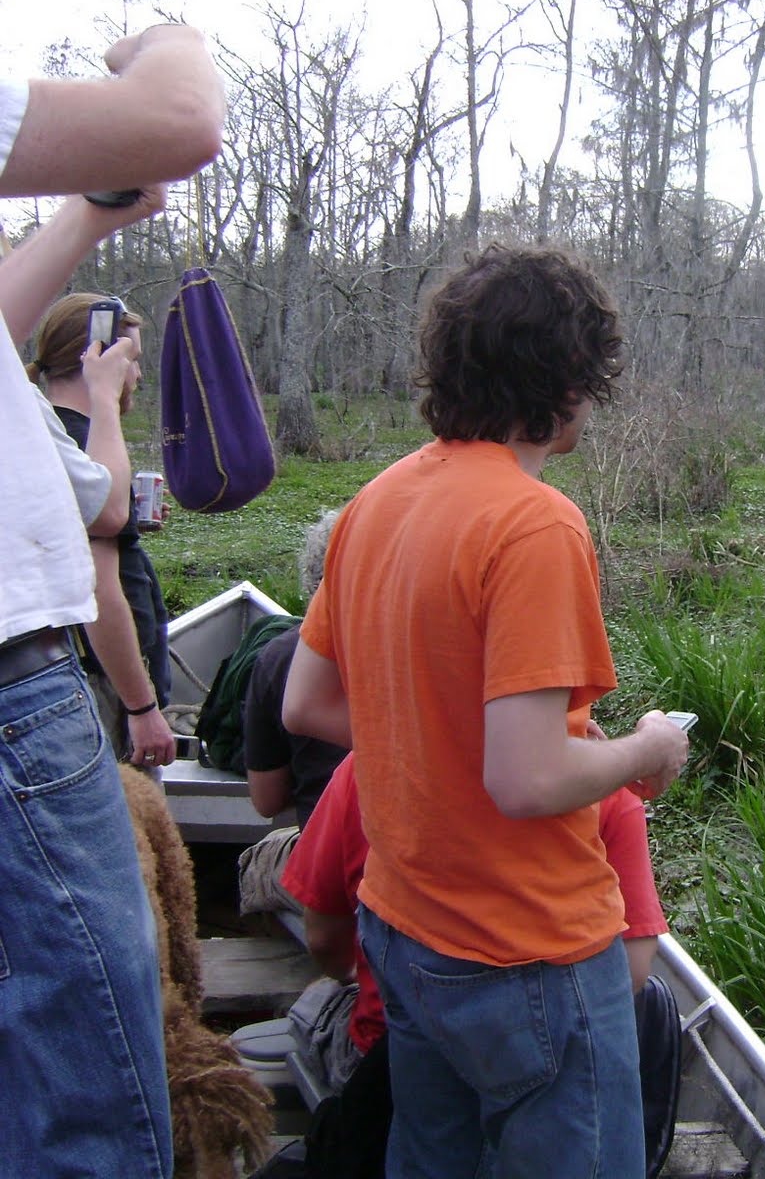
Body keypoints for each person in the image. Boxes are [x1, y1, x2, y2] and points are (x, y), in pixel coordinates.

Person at [283, 243, 690, 1178]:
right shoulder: (533, 523)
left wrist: (438, 732)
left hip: (405, 930)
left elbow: (309, 702)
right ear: (567, 379)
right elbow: (529, 777)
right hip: (527, 952)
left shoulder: (375, 503)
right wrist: (644, 749)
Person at [0, 21, 224, 1177]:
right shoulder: (73, 407)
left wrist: (89, 214)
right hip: (16, 693)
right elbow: (185, 120)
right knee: (94, 1096)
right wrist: (167, 39)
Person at [277, 752, 670, 1178]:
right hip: (537, 1053)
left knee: (313, 1004)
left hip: (387, 1047)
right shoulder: (609, 796)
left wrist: (363, 974)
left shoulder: (369, 764)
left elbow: (322, 936)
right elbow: (632, 970)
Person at [32, 292, 177, 770]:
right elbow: (98, 590)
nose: (137, 374)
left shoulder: (52, 434)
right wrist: (141, 707)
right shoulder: (76, 440)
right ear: (95, 358)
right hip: (103, 689)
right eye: (130, 359)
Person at [243, 510, 349, 826]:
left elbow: (267, 801)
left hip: (325, 856)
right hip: (421, 855)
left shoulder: (277, 657)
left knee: (259, 861)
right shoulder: (428, 651)